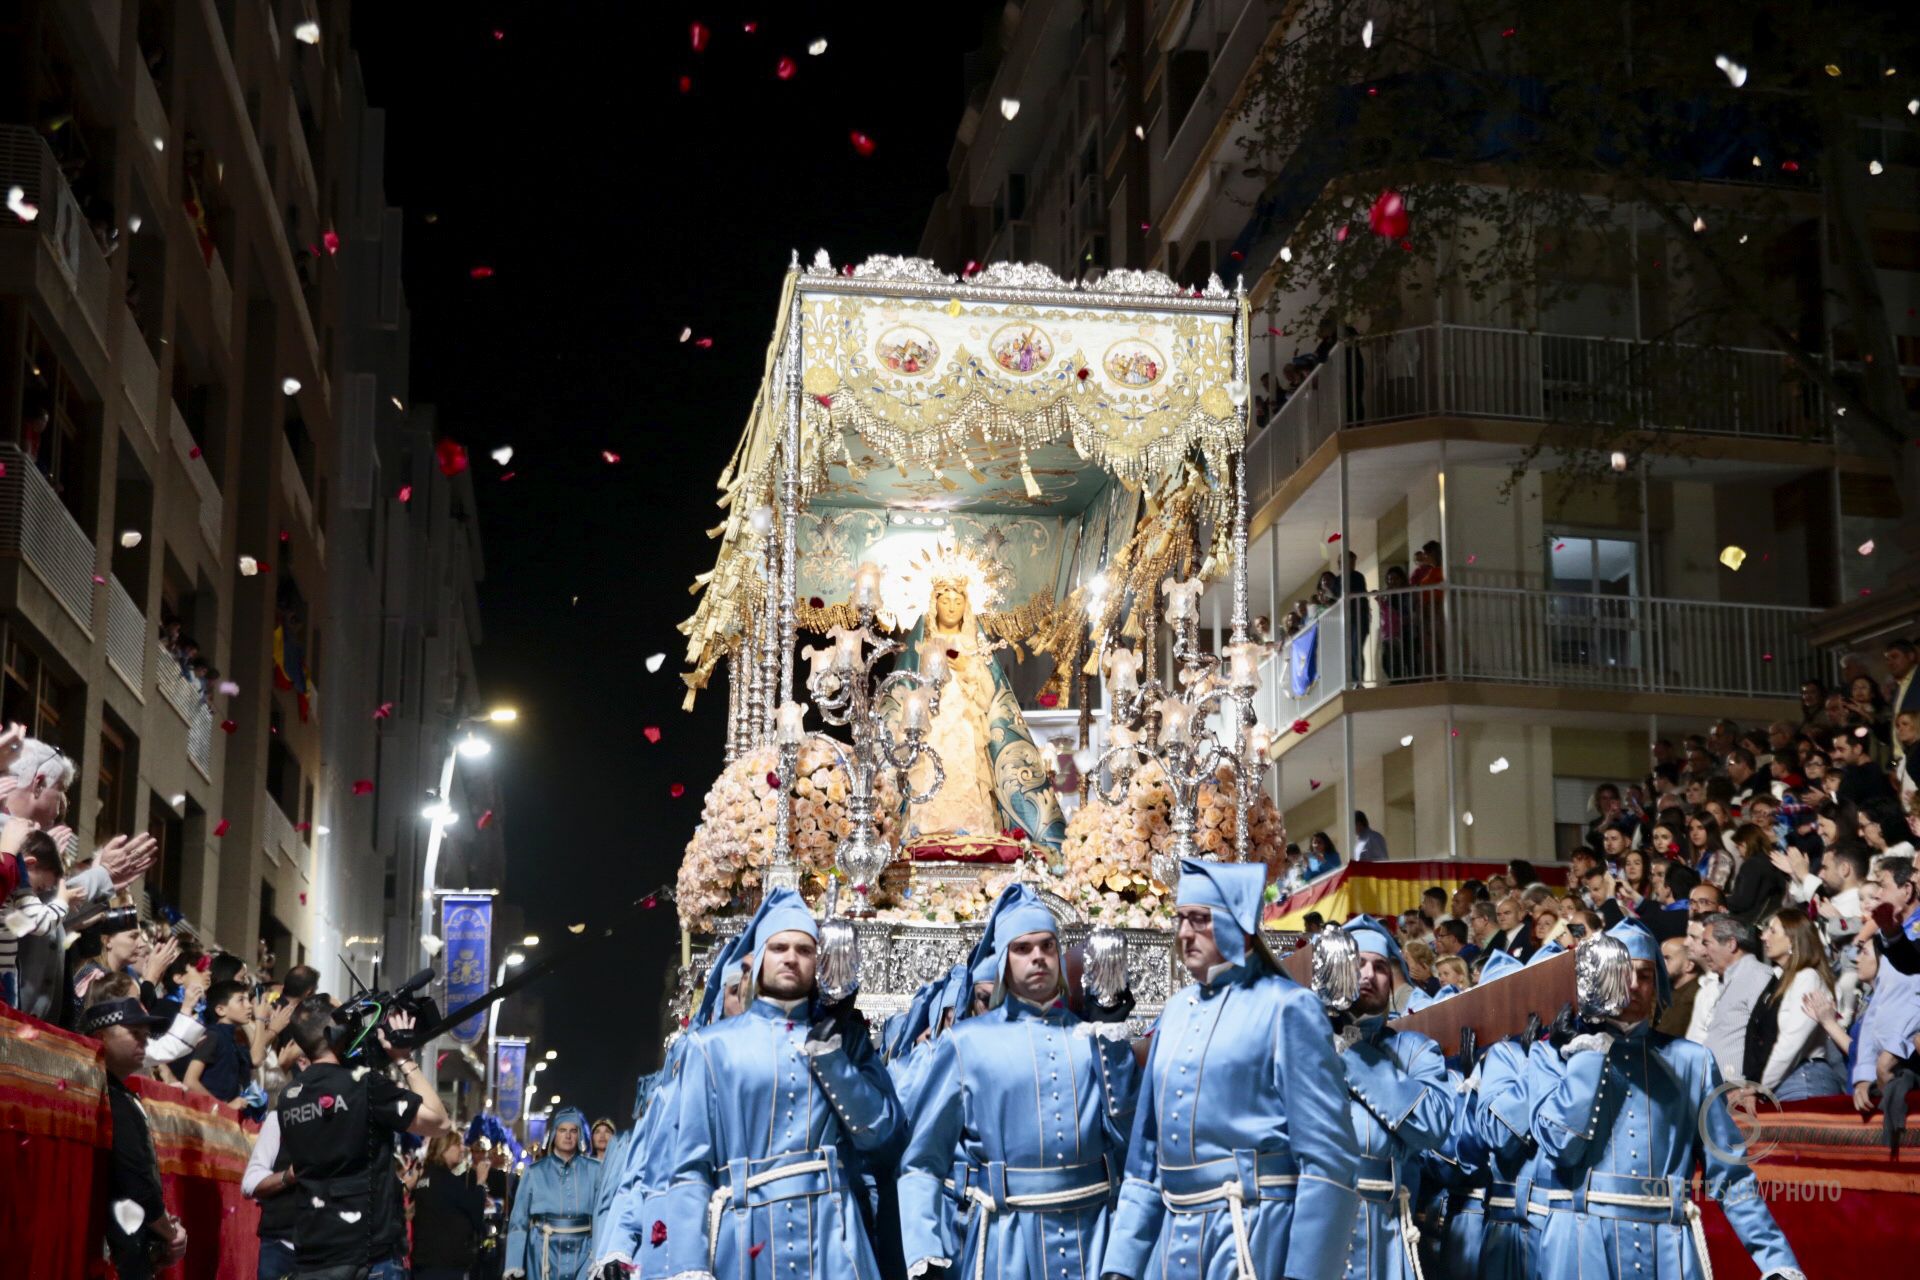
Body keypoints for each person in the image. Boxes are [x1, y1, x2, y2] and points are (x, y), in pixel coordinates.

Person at [1100, 859, 1358, 1280]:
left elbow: (1329, 1158)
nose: (1184, 933)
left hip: (1254, 1240)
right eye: (1181, 919)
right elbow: (1145, 1155)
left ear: (1240, 926)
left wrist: (1305, 1272)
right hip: (1172, 1243)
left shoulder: (1288, 1008)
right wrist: (1122, 1263)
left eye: (1200, 920)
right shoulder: (1175, 1012)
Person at [1530, 920, 1803, 1278]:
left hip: (1667, 1248)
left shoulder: (1692, 1061)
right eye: (1619, 974)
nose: (1632, 985)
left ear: (1658, 983)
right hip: (1582, 1246)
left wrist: (1777, 1261)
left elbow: (1730, 1174)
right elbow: (1561, 1146)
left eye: (1644, 975)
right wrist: (1589, 1054)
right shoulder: (1556, 1055)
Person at [655, 887, 901, 1280]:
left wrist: (833, 1061)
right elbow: (689, 1168)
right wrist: (688, 1266)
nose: (791, 958)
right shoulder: (710, 1047)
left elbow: (883, 1138)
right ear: (758, 961)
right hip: (744, 1237)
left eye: (805, 950)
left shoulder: (847, 1042)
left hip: (834, 1239)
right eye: (780, 948)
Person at [899, 884, 1139, 1280]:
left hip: (1092, 1239)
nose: (1038, 957)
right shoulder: (966, 1043)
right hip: (1005, 1243)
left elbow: (1129, 1138)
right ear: (1004, 963)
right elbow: (923, 1160)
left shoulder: (1093, 1038)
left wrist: (1111, 1040)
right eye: (1023, 948)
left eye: (1047, 946)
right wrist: (924, 1248)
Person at [275, 995, 451, 1278]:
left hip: (312, 1250)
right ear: (337, 1032)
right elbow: (439, 1122)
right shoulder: (363, 1085)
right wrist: (404, 1059)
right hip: (368, 1255)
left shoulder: (288, 1097)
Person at [1327, 916, 1453, 1279]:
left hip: (1384, 1234)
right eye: (1357, 964)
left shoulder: (1413, 1050)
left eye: (1380, 967)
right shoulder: (1303, 1038)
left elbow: (1433, 1125)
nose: (1368, 975)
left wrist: (1349, 1052)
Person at [82, 987, 189, 1279]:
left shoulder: (119, 1094)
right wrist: (168, 1232)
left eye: (146, 1035)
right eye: (133, 1033)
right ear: (100, 1036)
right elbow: (134, 1178)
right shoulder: (108, 1096)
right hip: (114, 1254)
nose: (144, 1041)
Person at [1745, 908, 1842, 1099]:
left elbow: (1792, 1040)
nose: (1764, 937)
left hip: (1804, 1081)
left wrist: (1761, 1086)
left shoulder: (1807, 977)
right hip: (1784, 1082)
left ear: (1792, 940)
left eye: (1772, 931)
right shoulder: (1779, 979)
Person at [507, 1108, 602, 1280]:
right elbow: (518, 1221)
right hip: (542, 1252)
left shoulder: (595, 1170)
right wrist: (514, 1264)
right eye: (562, 1130)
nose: (568, 1136)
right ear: (553, 1135)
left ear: (579, 1135)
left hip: (585, 1253)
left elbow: (602, 1216)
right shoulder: (534, 1172)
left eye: (573, 1131)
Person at [1695, 914, 1772, 1083]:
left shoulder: (1757, 976)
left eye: (1707, 944)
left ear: (1731, 944)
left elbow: (1768, 1034)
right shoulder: (1727, 981)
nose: (1703, 952)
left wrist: (1751, 1085)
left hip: (1740, 1091)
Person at [414, 1131, 491, 1280]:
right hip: (446, 1267)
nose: (463, 1149)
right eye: (457, 1144)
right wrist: (481, 1181)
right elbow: (475, 1210)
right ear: (443, 1148)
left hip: (424, 1264)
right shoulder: (446, 1181)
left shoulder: (425, 1178)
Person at [1657, 937, 1700, 1037]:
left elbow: (1665, 1039)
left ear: (1689, 965)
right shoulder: (1675, 993)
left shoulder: (1688, 998)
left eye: (1667, 958)